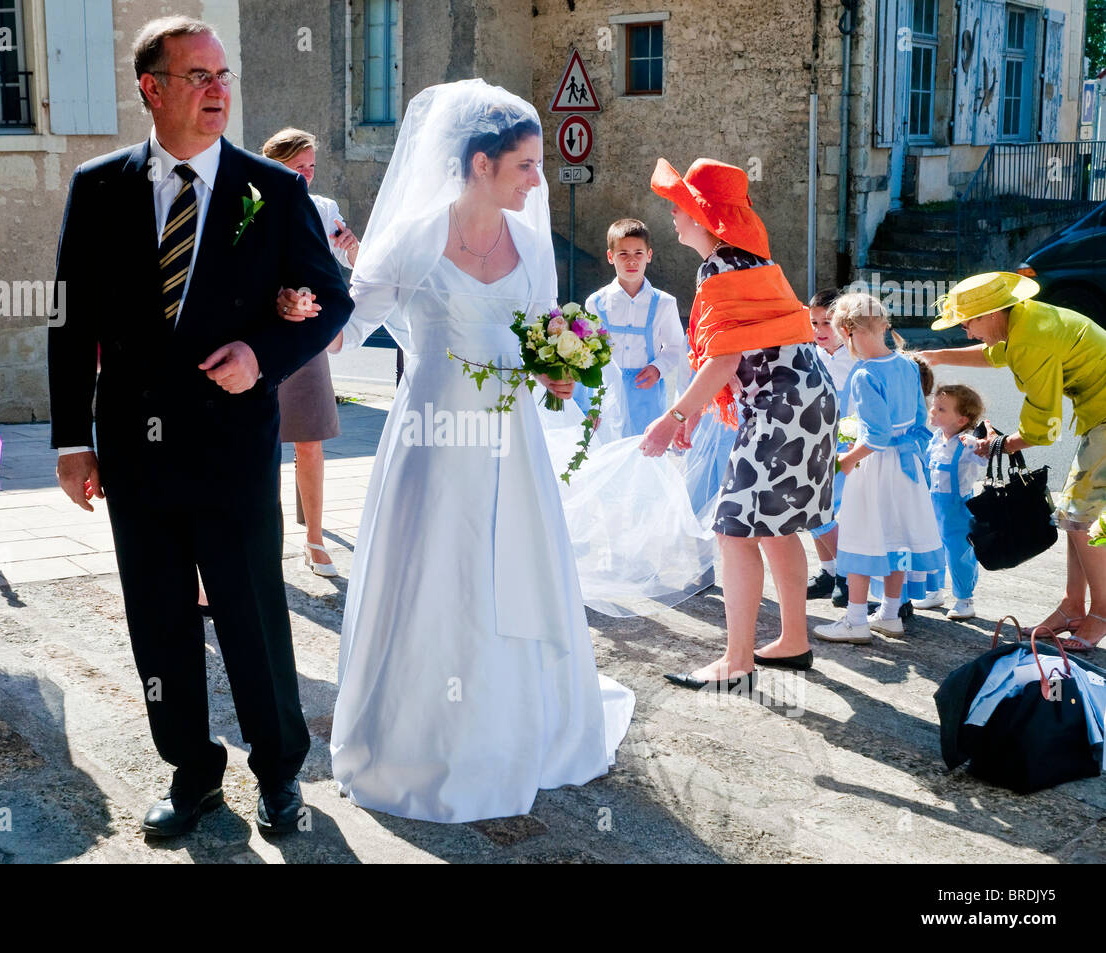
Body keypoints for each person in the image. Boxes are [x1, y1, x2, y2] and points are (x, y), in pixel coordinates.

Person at [48, 16, 351, 837]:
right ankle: (191, 771)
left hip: (232, 446)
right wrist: (73, 440)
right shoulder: (99, 186)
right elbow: (70, 321)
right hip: (133, 451)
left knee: (252, 612)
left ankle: (281, 769)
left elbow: (331, 301)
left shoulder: (273, 191)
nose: (219, 91)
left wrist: (265, 351)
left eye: (223, 76)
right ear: (152, 87)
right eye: (198, 76)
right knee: (158, 616)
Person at [309, 79, 634, 823]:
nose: (536, 180)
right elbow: (347, 328)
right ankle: (426, 734)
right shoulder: (414, 237)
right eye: (525, 164)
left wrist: (560, 369)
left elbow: (541, 333)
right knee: (437, 570)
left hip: (509, 438)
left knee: (514, 565)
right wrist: (290, 320)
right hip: (432, 433)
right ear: (481, 162)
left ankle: (520, 723)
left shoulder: (529, 244)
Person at [640, 157, 837, 688]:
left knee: (735, 531)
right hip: (809, 399)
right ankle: (793, 640)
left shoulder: (718, 269)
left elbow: (723, 360)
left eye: (679, 206)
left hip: (780, 406)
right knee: (775, 528)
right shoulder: (751, 262)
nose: (673, 216)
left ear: (703, 218)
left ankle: (737, 661)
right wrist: (693, 410)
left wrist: (674, 415)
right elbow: (736, 354)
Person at [922, 271, 1106, 652]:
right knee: (1073, 516)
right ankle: (1073, 606)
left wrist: (998, 446)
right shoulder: (1023, 319)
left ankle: (1101, 613)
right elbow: (994, 355)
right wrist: (936, 355)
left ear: (991, 314)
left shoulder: (1031, 340)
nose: (968, 332)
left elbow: (1043, 429)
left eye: (969, 322)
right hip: (1099, 417)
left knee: (1080, 516)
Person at [813, 294, 944, 644]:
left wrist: (845, 461)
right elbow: (919, 420)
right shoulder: (906, 364)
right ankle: (889, 613)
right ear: (883, 325)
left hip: (874, 468)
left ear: (845, 330)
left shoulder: (864, 374)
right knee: (896, 537)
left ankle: (856, 619)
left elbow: (877, 435)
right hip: (906, 468)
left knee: (859, 538)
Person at [262, 127, 358, 577]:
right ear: (275, 164)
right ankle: (265, 543)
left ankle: (315, 541)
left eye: (311, 167)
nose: (306, 175)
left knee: (310, 442)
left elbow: (347, 262)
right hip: (260, 335)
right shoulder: (251, 200)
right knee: (258, 446)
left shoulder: (324, 209)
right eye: (298, 167)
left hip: (307, 336)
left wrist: (354, 250)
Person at [572, 218, 687, 435]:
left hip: (646, 393)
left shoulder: (664, 303)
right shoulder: (595, 302)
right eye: (623, 254)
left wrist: (657, 368)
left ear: (649, 256)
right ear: (610, 256)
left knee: (643, 453)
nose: (631, 261)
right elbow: (587, 353)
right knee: (607, 451)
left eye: (638, 253)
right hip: (604, 392)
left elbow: (675, 348)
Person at [911, 383, 987, 620]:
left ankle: (965, 598)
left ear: (962, 420)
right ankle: (933, 591)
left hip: (957, 508)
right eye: (934, 407)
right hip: (932, 504)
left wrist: (982, 442)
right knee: (933, 549)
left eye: (941, 409)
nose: (933, 412)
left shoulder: (966, 444)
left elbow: (985, 458)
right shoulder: (935, 438)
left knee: (958, 552)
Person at [805, 287, 855, 608]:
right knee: (815, 509)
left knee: (842, 510)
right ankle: (829, 571)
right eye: (814, 323)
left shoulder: (856, 356)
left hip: (847, 443)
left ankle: (849, 575)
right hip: (814, 437)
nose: (820, 331)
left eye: (827, 323)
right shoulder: (811, 354)